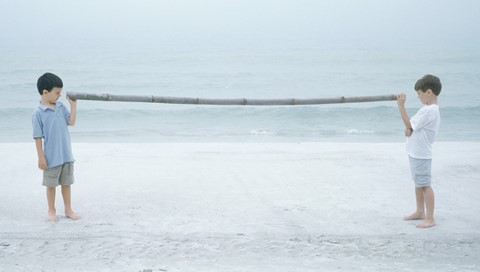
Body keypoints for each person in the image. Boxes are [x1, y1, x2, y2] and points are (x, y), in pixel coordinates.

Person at [32, 72, 80, 221]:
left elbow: (71, 122)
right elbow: (38, 137)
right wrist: (40, 157)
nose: (59, 95)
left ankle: (68, 209)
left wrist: (73, 106)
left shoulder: (60, 106)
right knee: (51, 185)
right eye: (57, 93)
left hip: (66, 154)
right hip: (51, 157)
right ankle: (51, 211)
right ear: (45, 93)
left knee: (67, 184)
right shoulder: (38, 113)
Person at [396, 74, 441, 228]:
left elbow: (409, 124)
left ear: (429, 92)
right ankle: (419, 211)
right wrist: (409, 130)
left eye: (419, 94)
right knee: (418, 183)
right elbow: (413, 127)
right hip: (416, 152)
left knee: (425, 185)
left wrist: (401, 107)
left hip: (421, 154)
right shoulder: (427, 110)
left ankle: (430, 217)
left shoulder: (430, 111)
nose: (419, 97)